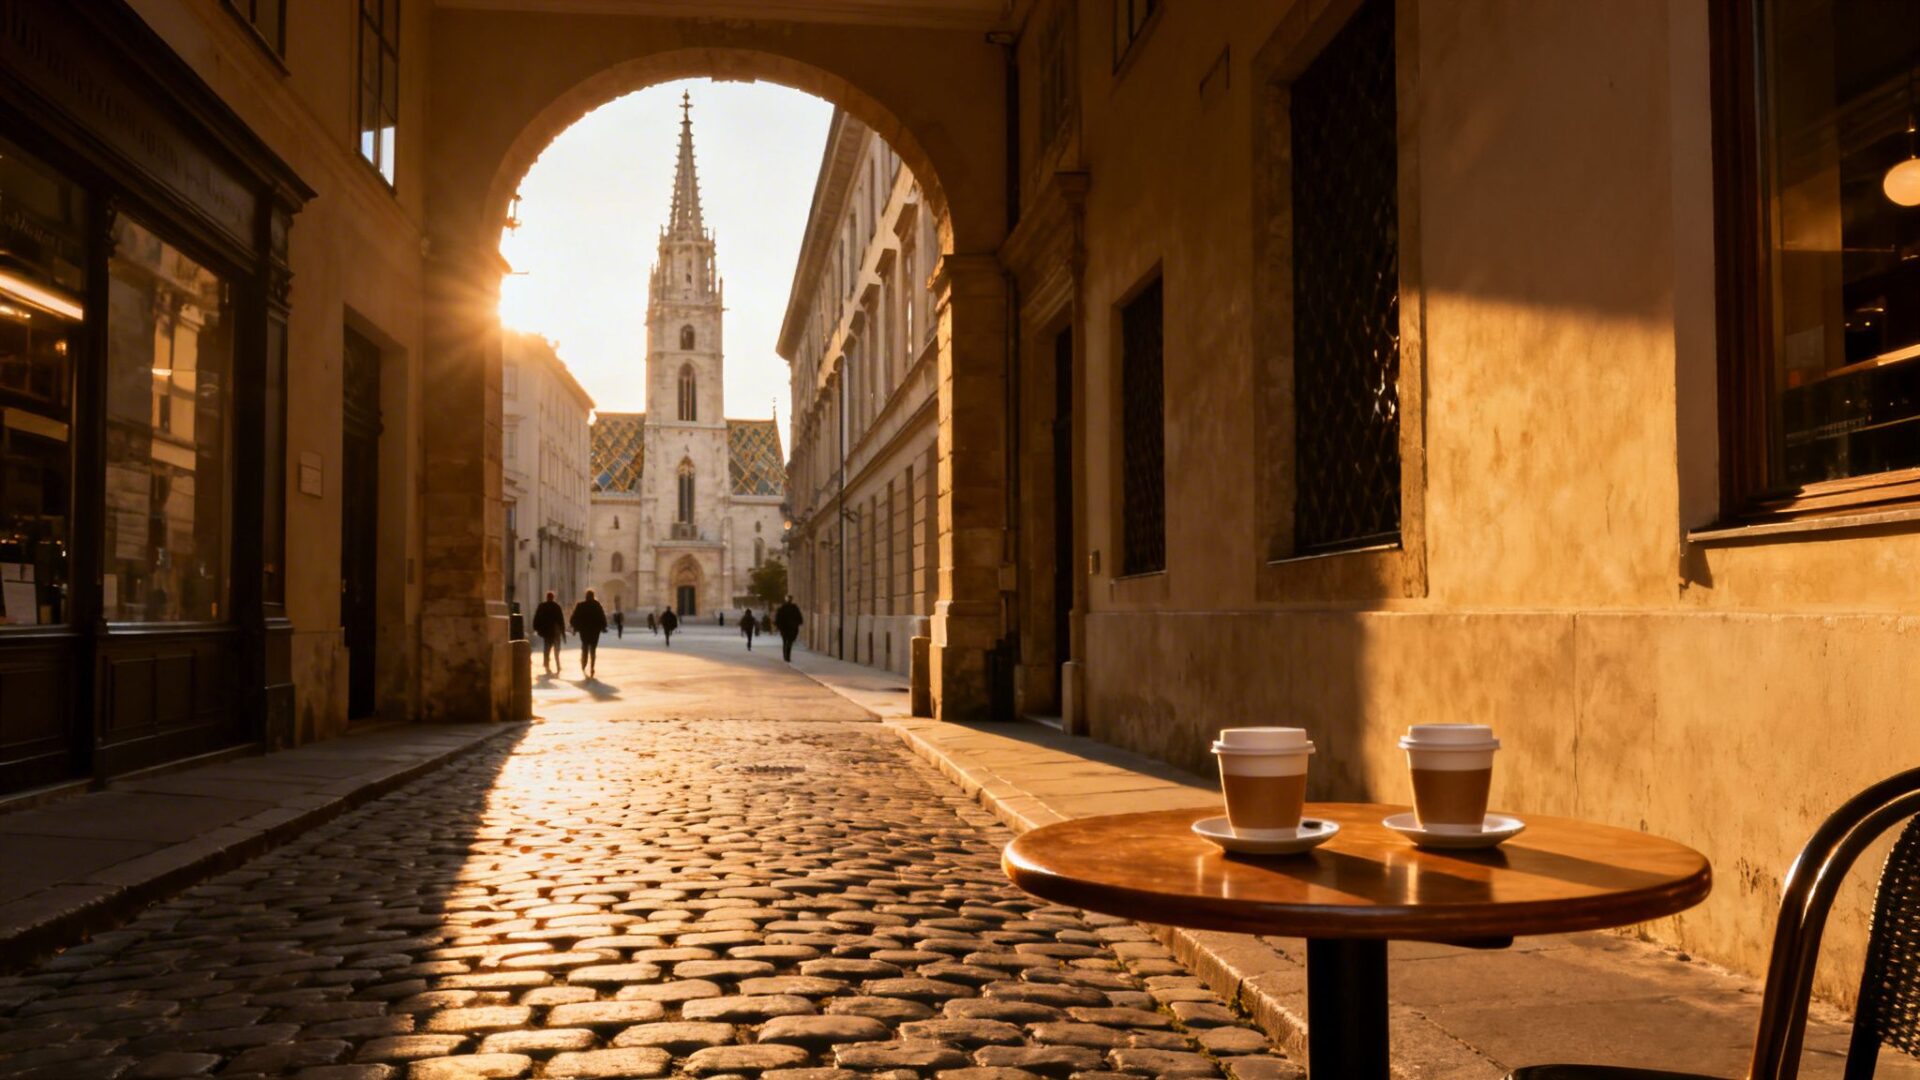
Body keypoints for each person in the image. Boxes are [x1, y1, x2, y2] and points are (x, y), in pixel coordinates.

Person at [570, 589, 608, 678]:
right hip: (595, 631)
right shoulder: (597, 606)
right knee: (593, 649)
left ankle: (584, 663)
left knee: (585, 647)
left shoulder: (581, 605)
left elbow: (573, 618)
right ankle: (592, 667)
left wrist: (576, 627)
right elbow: (602, 617)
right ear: (593, 596)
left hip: (584, 631)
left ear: (586, 596)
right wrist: (603, 627)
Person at [532, 591, 566, 674]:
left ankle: (546, 664)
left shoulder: (542, 606)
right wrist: (563, 633)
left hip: (547, 632)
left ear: (547, 597)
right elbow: (561, 621)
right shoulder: (556, 606)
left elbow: (537, 618)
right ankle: (557, 665)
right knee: (556, 650)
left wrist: (536, 628)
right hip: (555, 632)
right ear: (553, 597)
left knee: (547, 649)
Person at [774, 595, 803, 663]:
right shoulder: (794, 608)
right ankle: (787, 656)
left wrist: (778, 626)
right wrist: (798, 623)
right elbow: (799, 617)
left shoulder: (783, 608)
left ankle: (785, 655)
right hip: (791, 628)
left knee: (785, 641)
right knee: (789, 642)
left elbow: (778, 617)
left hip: (785, 628)